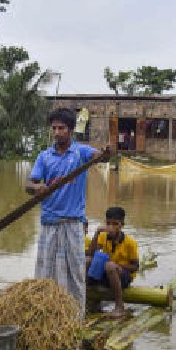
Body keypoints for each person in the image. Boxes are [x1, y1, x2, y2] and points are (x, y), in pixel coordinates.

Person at [25, 108, 110, 317]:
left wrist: (106, 154)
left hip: (73, 223)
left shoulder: (80, 152)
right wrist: (37, 189)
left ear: (70, 130)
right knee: (46, 273)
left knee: (74, 274)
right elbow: (29, 184)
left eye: (61, 128)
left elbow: (100, 157)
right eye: (53, 128)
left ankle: (74, 318)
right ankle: (46, 315)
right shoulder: (44, 157)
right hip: (49, 223)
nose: (56, 132)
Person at [86, 206, 139, 318]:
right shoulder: (103, 237)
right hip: (108, 273)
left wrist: (116, 265)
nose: (111, 227)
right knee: (88, 260)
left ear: (122, 224)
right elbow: (90, 253)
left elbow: (135, 267)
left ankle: (119, 307)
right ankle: (90, 299)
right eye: (108, 223)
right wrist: (97, 233)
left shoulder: (130, 243)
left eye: (115, 224)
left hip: (123, 277)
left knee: (110, 266)